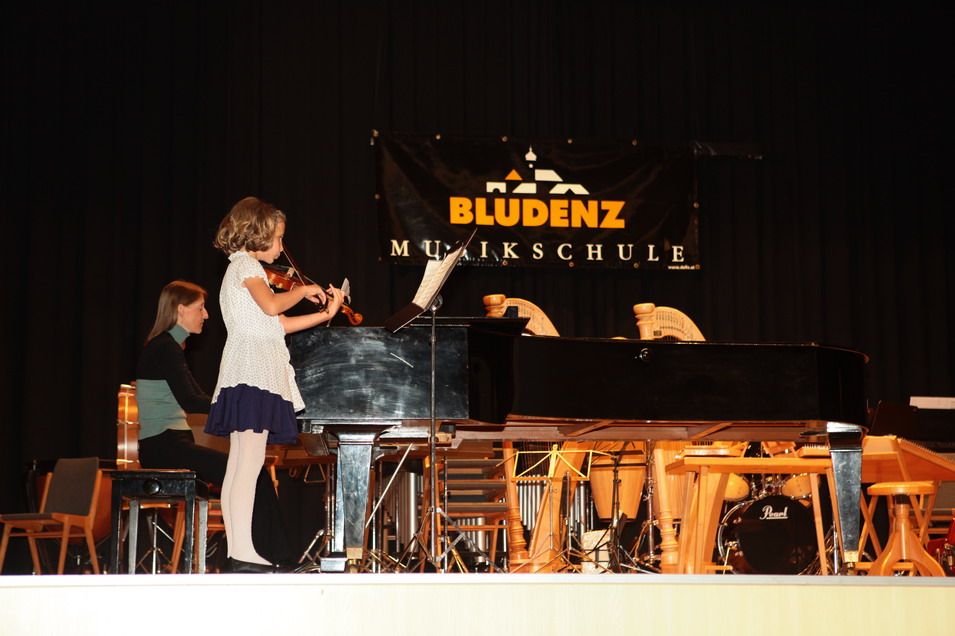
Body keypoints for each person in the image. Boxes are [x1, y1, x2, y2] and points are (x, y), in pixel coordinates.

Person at [205, 196, 343, 573]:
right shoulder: (246, 265)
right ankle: (242, 552)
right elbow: (272, 306)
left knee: (242, 464)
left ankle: (239, 551)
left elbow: (278, 324)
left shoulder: (245, 269)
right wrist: (302, 291)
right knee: (247, 464)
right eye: (279, 238)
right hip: (252, 374)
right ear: (258, 233)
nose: (282, 247)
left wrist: (325, 314)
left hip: (251, 372)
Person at [136, 280, 293, 569]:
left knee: (247, 473)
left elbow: (196, 397)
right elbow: (191, 400)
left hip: (170, 443)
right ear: (180, 310)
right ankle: (272, 559)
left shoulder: (169, 346)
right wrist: (244, 408)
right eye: (200, 308)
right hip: (163, 446)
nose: (206, 315)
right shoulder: (165, 348)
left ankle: (257, 555)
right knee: (252, 475)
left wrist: (237, 407)